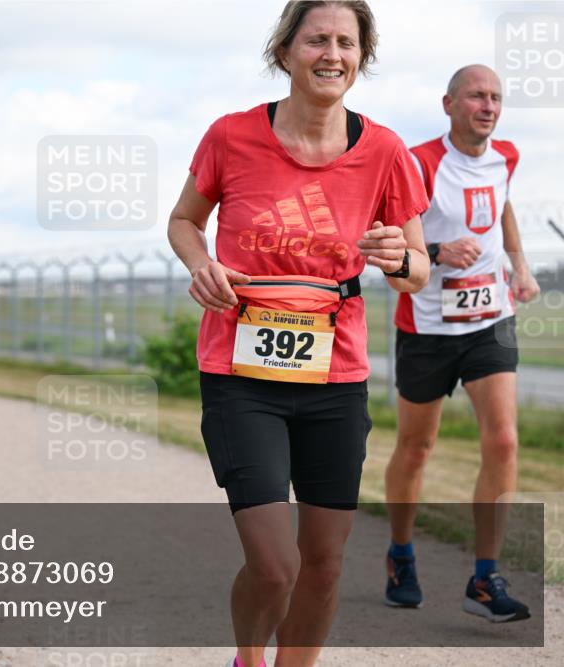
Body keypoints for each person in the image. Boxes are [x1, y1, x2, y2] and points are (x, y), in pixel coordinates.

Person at [166, 3, 430, 665]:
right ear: (285, 52)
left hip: (334, 380)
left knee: (326, 564)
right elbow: (183, 221)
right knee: (277, 563)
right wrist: (202, 264)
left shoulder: (386, 151)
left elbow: (417, 272)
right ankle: (248, 656)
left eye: (346, 42)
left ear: (360, 57)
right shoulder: (231, 136)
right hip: (240, 374)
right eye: (317, 40)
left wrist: (397, 255)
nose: (332, 53)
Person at [384, 65, 540, 623]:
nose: (488, 105)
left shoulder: (508, 156)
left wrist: (519, 267)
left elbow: (501, 207)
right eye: (477, 95)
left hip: (490, 319)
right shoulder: (419, 162)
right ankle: (400, 554)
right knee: (416, 448)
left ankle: (484, 577)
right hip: (426, 326)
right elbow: (389, 234)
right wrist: (438, 247)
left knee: (502, 440)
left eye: (496, 97)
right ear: (448, 103)